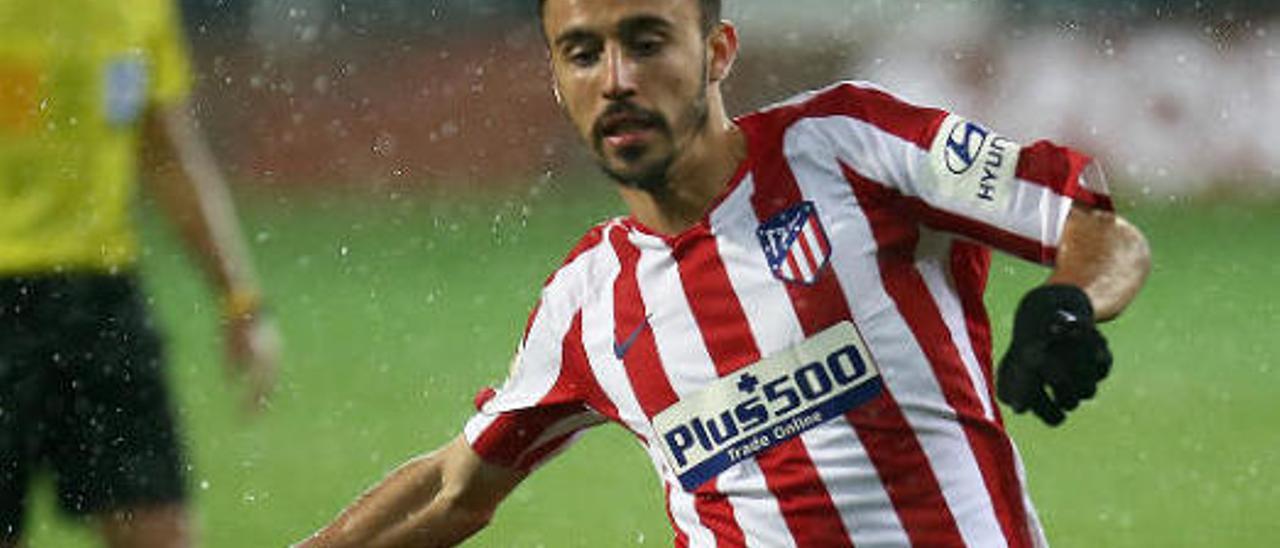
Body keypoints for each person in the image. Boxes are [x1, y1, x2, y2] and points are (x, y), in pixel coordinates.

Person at [298, 0, 1150, 546]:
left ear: (717, 52)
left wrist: (1068, 302)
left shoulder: (847, 147)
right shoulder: (588, 303)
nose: (618, 81)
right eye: (583, 54)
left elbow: (1094, 227)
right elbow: (453, 490)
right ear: (557, 82)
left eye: (646, 42)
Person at [0, 1, 280, 546]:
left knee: (162, 533)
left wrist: (239, 299)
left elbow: (166, 156)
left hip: (101, 302)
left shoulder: (138, 9)